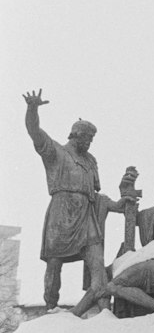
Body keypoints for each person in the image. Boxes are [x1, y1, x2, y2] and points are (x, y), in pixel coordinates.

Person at [22, 92, 119, 312]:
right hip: (61, 213)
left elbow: (97, 194)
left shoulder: (90, 160)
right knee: (54, 264)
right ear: (77, 135)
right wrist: (32, 109)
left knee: (97, 260)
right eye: (88, 138)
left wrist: (118, 203)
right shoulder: (56, 152)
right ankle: (51, 306)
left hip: (85, 215)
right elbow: (34, 132)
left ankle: (104, 310)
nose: (90, 142)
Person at [73, 159, 154, 318]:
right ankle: (75, 313)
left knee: (116, 285)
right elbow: (132, 218)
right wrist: (126, 192)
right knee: (102, 276)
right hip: (153, 254)